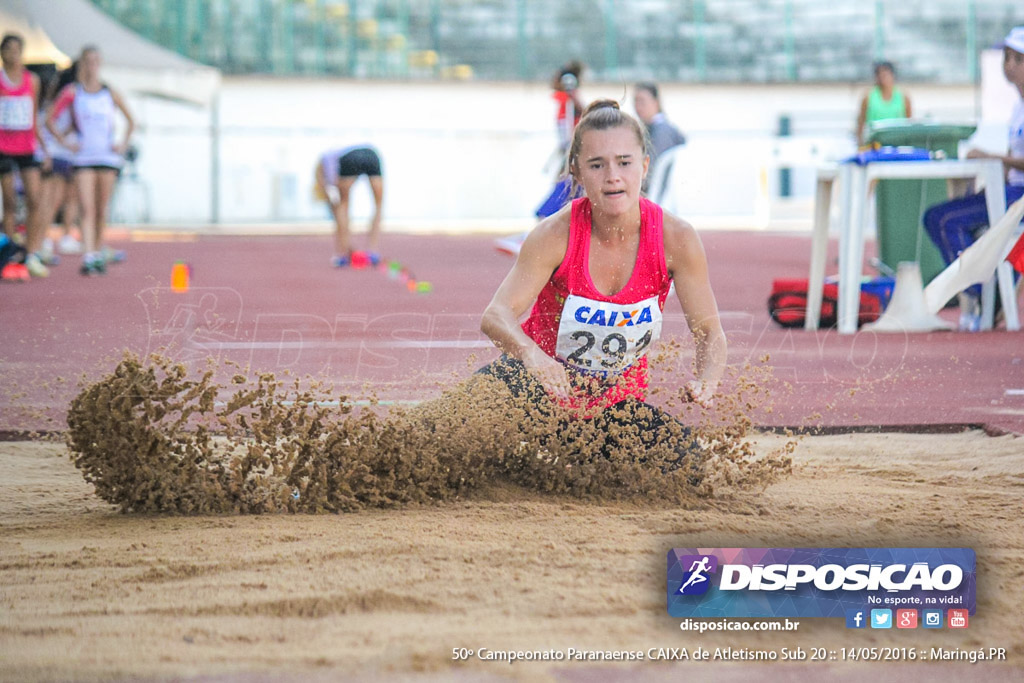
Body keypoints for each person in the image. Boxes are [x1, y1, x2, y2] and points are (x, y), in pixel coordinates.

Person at [479, 100, 727, 467]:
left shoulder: (676, 238)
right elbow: (496, 316)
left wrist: (708, 378)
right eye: (597, 165)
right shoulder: (554, 235)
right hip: (531, 389)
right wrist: (533, 356)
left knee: (687, 466)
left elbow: (709, 332)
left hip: (613, 411)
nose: (613, 176)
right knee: (444, 443)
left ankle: (558, 471)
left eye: (624, 162)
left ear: (644, 166)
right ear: (577, 171)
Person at [923, 27, 1024, 331]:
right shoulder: (1018, 108)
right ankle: (987, 288)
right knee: (943, 216)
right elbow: (1011, 160)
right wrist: (983, 174)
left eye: (1011, 58)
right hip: (1010, 190)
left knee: (943, 220)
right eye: (1006, 57)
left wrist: (989, 158)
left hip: (1019, 197)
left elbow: (1011, 161)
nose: (1005, 65)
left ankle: (984, 291)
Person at [46, 46, 134, 276]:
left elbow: (131, 121)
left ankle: (97, 248)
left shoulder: (109, 92)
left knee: (101, 208)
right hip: (84, 157)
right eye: (88, 61)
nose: (92, 65)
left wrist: (122, 143)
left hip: (107, 156)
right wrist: (65, 143)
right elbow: (49, 119)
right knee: (87, 207)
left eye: (96, 60)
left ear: (100, 63)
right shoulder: (73, 92)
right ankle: (89, 255)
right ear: (82, 64)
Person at [494, 61, 585, 257]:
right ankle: (542, 242)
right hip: (568, 160)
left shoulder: (571, 103)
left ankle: (534, 241)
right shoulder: (562, 103)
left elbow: (580, 125)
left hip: (576, 162)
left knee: (559, 204)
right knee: (562, 207)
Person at [0, 33, 48, 277]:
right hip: (3, 147)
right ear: (2, 53)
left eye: (17, 50)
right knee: (9, 202)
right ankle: (7, 255)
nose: (13, 54)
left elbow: (34, 118)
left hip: (27, 147)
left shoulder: (33, 80)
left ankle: (31, 253)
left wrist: (45, 148)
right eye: (8, 50)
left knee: (35, 200)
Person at [314, 144, 384, 267]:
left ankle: (342, 253)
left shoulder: (322, 167)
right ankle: (372, 252)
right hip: (371, 154)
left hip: (350, 159)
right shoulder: (330, 157)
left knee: (343, 205)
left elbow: (333, 202)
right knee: (378, 204)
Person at [39, 63, 80, 257]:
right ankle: (44, 237)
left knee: (71, 197)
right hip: (60, 152)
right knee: (54, 198)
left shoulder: (83, 93)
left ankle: (66, 236)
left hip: (75, 153)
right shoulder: (69, 93)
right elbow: (49, 119)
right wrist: (62, 139)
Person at [633, 81, 686, 199]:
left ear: (656, 102)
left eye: (642, 101)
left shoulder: (662, 131)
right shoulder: (647, 129)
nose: (637, 106)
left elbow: (652, 171)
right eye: (635, 101)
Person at [856, 61, 912, 147]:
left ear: (892, 75)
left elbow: (909, 123)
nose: (883, 78)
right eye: (879, 74)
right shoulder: (868, 96)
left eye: (886, 74)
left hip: (897, 144)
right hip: (874, 144)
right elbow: (861, 123)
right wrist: (860, 145)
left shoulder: (903, 97)